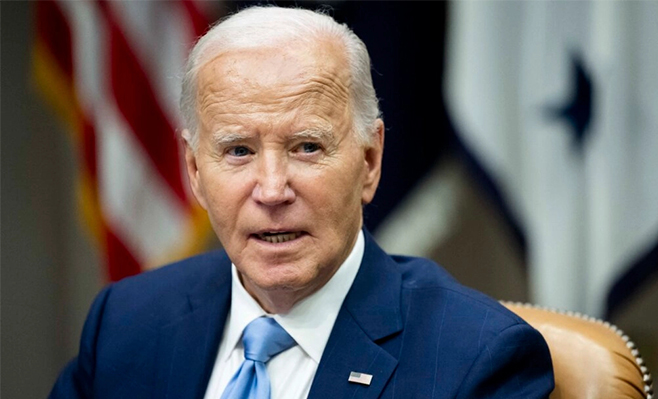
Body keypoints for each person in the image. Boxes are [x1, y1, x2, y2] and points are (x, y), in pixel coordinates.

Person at [49, 6, 554, 399]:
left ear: (370, 161)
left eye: (306, 147)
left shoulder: (477, 358)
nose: (271, 190)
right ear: (195, 172)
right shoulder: (126, 322)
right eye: (238, 151)